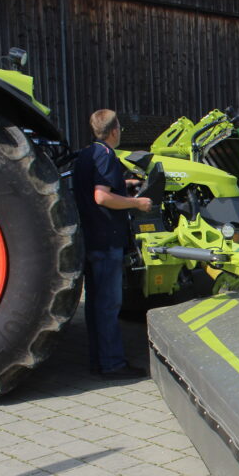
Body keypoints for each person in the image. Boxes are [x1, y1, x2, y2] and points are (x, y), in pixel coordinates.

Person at [72, 109, 152, 379]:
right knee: (109, 306)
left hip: (91, 238)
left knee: (96, 305)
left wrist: (124, 183)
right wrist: (136, 202)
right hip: (108, 240)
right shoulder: (107, 156)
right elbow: (101, 197)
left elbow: (94, 187)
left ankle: (99, 360)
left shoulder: (85, 155)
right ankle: (113, 365)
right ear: (115, 131)